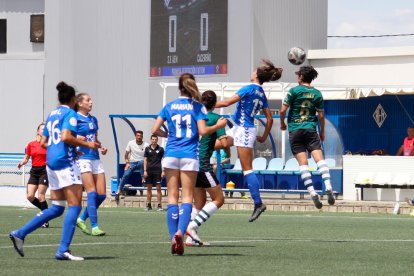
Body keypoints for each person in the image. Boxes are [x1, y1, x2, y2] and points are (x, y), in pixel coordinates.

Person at [9, 81, 100, 261]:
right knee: (75, 206)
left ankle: (20, 233)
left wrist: (70, 146)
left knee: (58, 208)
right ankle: (63, 250)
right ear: (74, 99)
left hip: (51, 163)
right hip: (66, 164)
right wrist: (86, 143)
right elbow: (66, 137)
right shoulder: (70, 114)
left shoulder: (51, 115)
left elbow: (44, 142)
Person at [151, 73, 227, 255]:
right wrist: (218, 126)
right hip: (189, 156)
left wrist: (167, 135)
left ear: (179, 87)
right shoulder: (197, 107)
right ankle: (180, 232)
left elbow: (154, 130)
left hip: (170, 154)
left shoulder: (168, 106)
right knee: (187, 198)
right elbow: (203, 130)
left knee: (171, 196)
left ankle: (173, 237)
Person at [215, 59, 282, 222]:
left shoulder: (249, 88)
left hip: (244, 130)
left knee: (247, 170)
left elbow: (226, 102)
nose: (252, 72)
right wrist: (264, 136)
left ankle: (258, 203)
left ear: (257, 74)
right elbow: (270, 119)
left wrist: (204, 104)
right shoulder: (261, 92)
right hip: (240, 128)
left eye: (254, 70)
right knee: (212, 145)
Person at [279, 66, 335, 209]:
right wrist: (322, 132)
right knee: (319, 160)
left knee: (303, 164)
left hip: (295, 130)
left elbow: (283, 110)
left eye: (298, 75)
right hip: (311, 129)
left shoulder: (293, 91)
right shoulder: (317, 94)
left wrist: (282, 124)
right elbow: (321, 116)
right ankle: (328, 186)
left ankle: (312, 192)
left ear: (301, 77)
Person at [185, 90, 230, 246]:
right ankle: (192, 226)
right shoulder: (216, 119)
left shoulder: (195, 117)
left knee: (199, 202)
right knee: (219, 199)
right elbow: (224, 144)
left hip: (190, 164)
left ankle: (190, 238)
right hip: (203, 165)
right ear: (215, 103)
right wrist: (233, 139)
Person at [74, 93, 108, 236]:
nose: (91, 102)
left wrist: (101, 146)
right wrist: (76, 138)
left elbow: (95, 139)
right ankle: (94, 226)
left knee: (102, 195)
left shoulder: (94, 119)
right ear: (80, 103)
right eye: (88, 100)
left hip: (95, 157)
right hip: (82, 158)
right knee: (92, 192)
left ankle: (81, 218)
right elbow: (66, 136)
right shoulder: (74, 118)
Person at [18, 122, 50, 228]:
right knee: (30, 196)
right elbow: (27, 158)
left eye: (45, 129)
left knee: (41, 196)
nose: (43, 130)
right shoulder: (31, 144)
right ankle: (45, 211)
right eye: (42, 129)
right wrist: (22, 163)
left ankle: (45, 220)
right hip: (34, 171)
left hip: (45, 170)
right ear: (38, 131)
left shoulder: (49, 143)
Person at [115, 130, 149, 201]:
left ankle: (143, 180)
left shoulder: (146, 145)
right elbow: (126, 154)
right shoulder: (131, 143)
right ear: (135, 136)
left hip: (142, 163)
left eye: (140, 136)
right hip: (132, 163)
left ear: (142, 137)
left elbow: (148, 157)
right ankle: (119, 191)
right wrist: (127, 163)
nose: (139, 137)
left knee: (141, 162)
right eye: (138, 136)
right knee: (126, 174)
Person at [143, 135, 164, 211]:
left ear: (157, 140)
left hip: (158, 171)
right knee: (149, 188)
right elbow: (145, 160)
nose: (154, 140)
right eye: (153, 139)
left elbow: (163, 160)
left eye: (155, 139)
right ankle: (148, 205)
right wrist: (145, 171)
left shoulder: (161, 149)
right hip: (149, 171)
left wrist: (163, 171)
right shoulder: (147, 149)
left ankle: (159, 205)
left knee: (158, 188)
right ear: (151, 140)